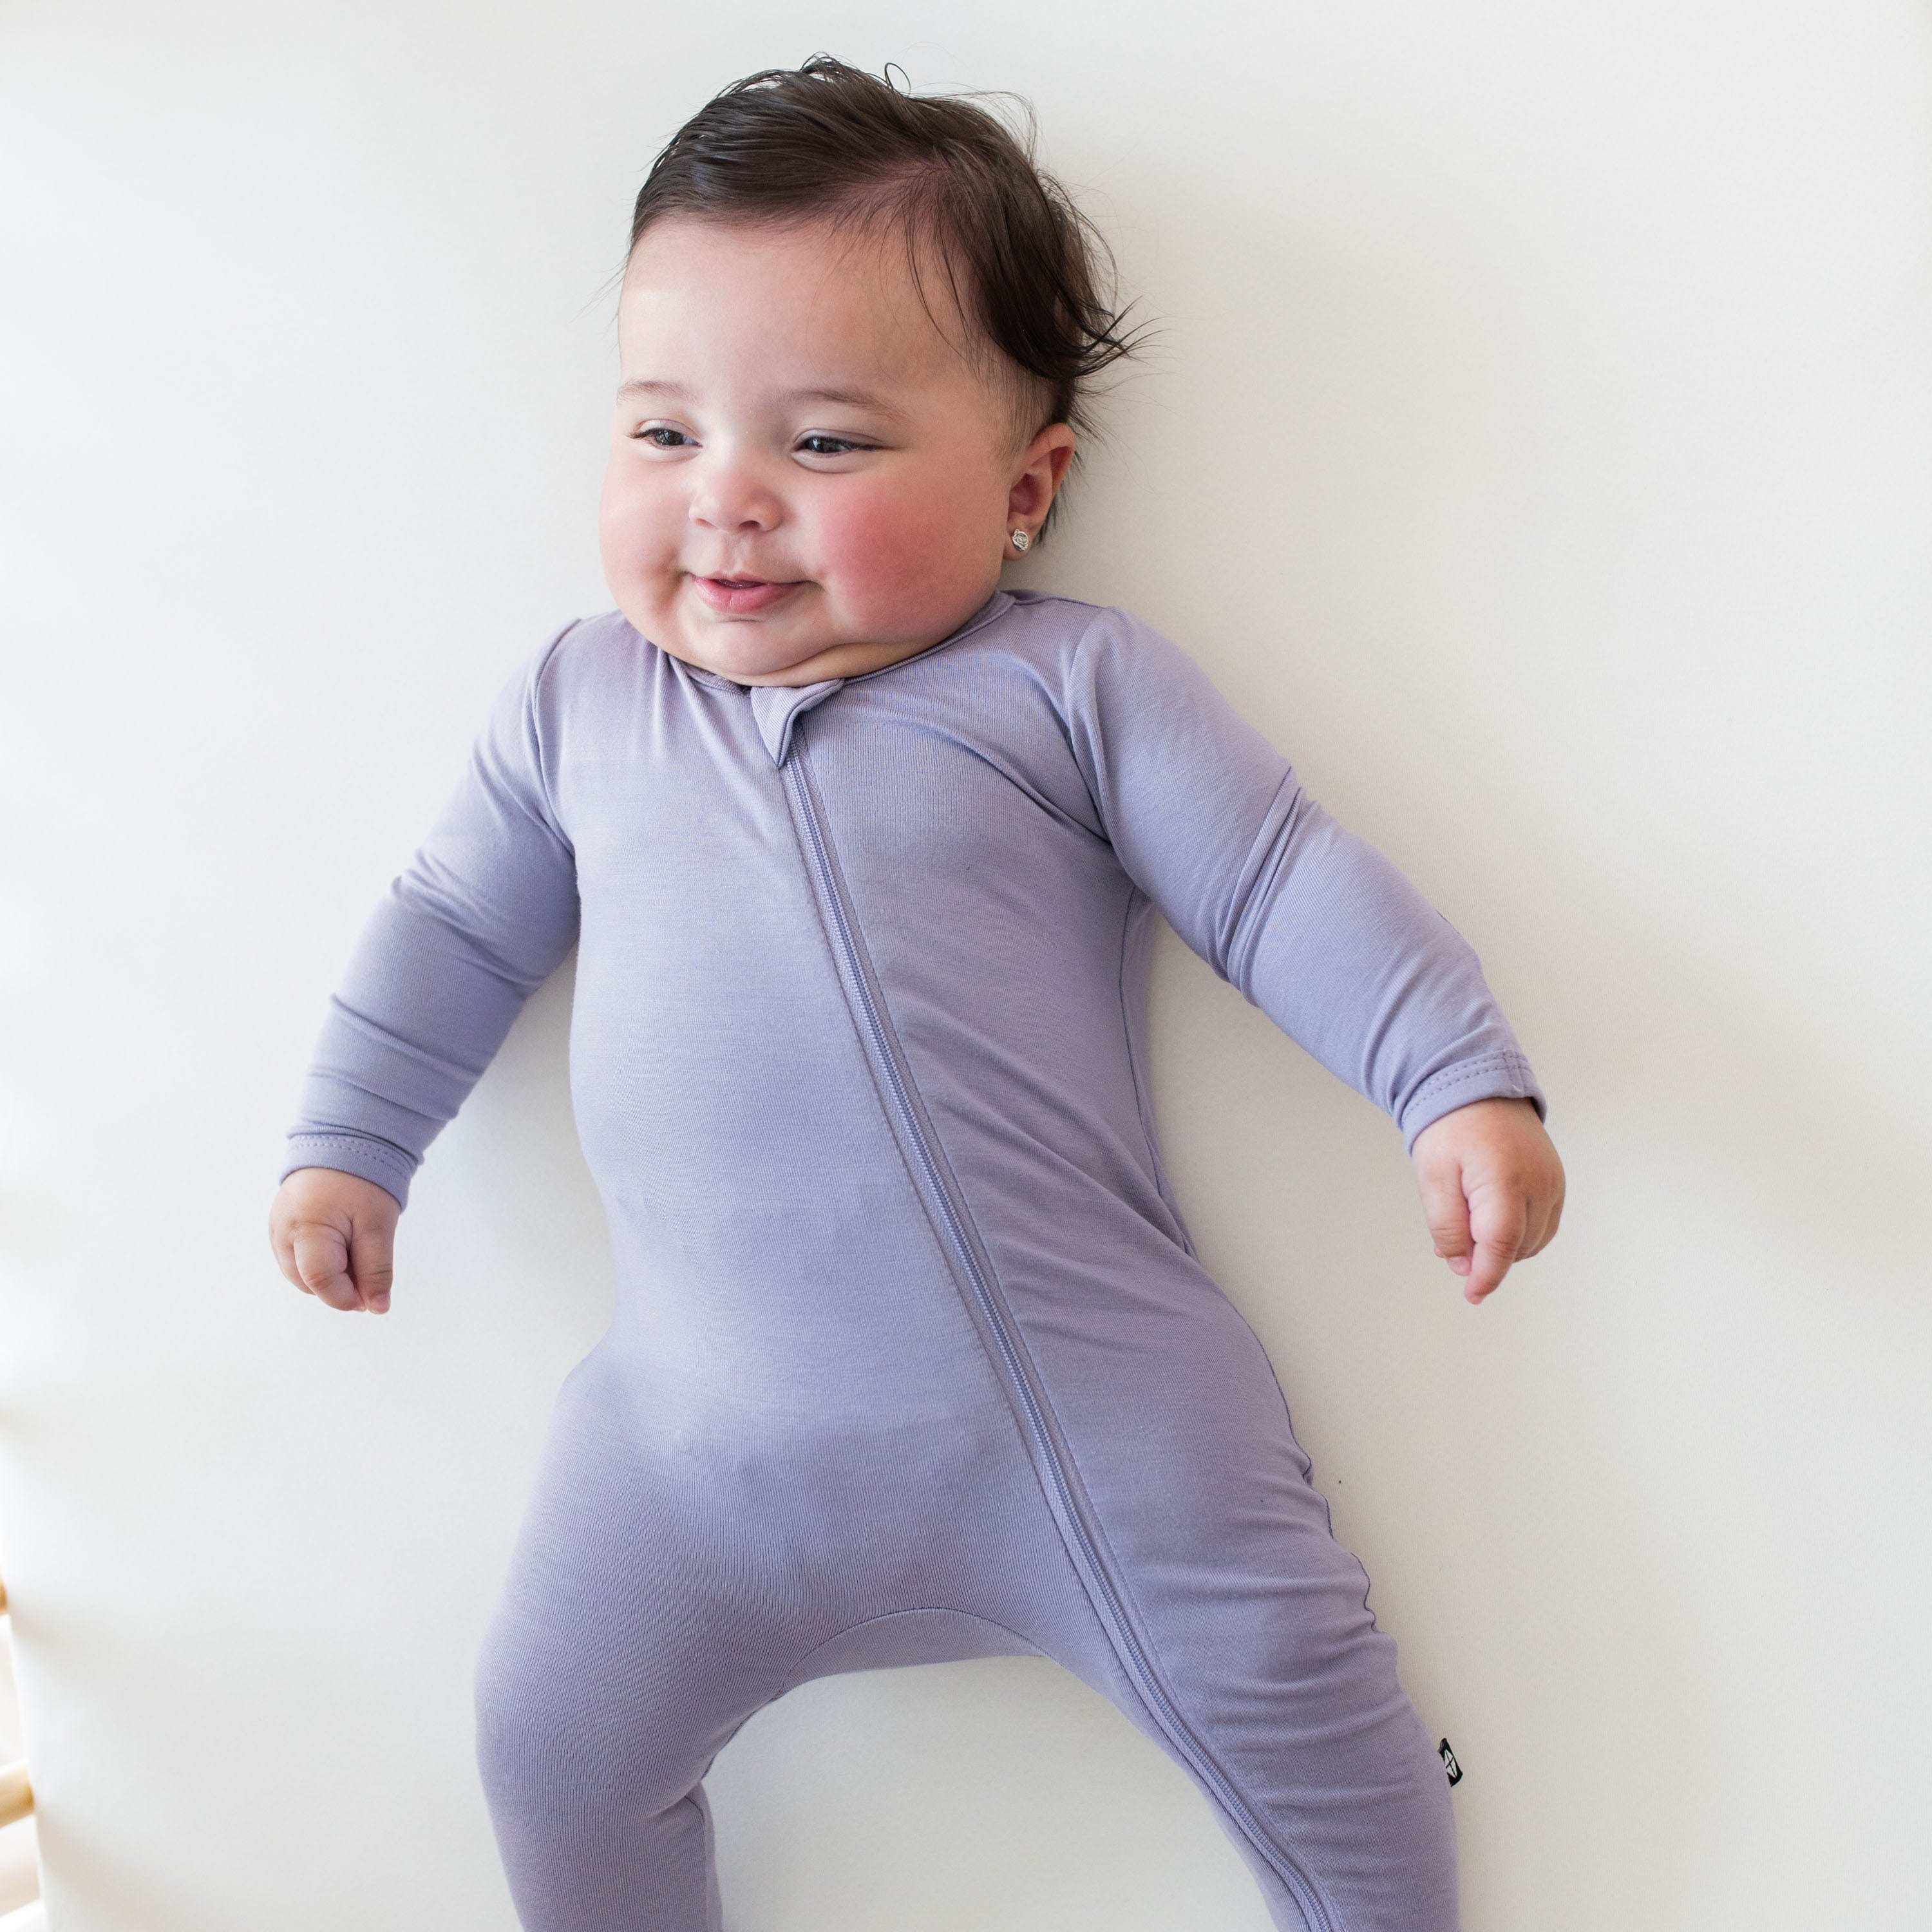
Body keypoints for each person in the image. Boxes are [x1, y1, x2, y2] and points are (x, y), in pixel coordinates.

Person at [267, 53, 1564, 1932]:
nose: (727, 506)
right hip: (687, 1461)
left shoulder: (1069, 690)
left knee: (1327, 1741)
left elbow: (1280, 879)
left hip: (1091, 1430)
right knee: (547, 1741)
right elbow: (451, 929)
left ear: (1026, 488)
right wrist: (346, 1147)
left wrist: (1451, 1076)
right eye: (660, 435)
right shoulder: (577, 709)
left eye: (824, 444)